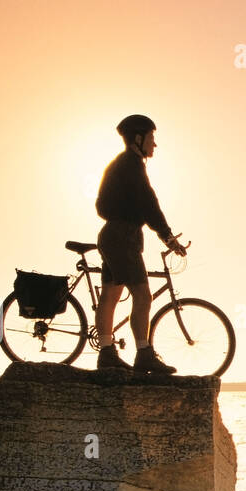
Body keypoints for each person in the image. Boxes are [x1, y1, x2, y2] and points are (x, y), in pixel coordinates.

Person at [94, 114, 186, 375]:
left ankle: (106, 352)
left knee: (110, 295)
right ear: (138, 138)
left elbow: (101, 205)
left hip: (113, 234)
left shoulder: (119, 165)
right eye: (152, 138)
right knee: (143, 295)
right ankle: (143, 353)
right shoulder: (132, 166)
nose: (154, 144)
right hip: (123, 236)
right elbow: (149, 203)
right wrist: (168, 236)